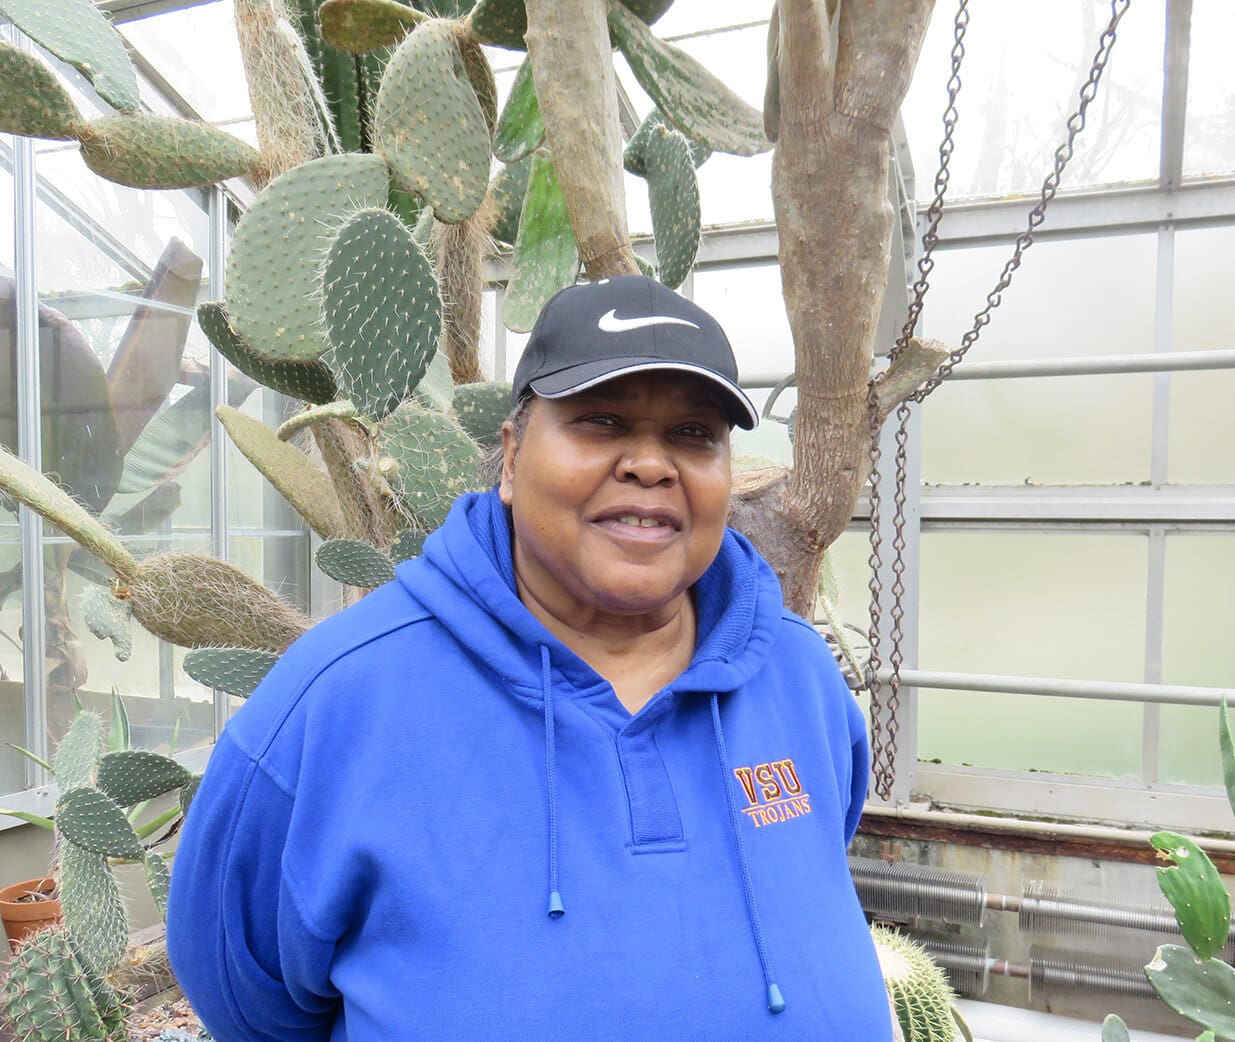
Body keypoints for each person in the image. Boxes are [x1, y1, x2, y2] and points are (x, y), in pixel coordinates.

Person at [166, 274, 892, 1041]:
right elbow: (245, 998)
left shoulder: (796, 672)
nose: (651, 465)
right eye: (601, 421)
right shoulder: (339, 697)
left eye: (693, 434)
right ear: (511, 459)